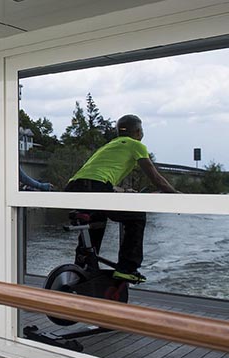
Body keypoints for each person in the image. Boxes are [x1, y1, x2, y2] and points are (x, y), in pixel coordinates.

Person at [64, 114, 178, 283]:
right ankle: (127, 268)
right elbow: (156, 178)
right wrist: (176, 195)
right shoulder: (136, 145)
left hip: (73, 188)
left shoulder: (108, 146)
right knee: (136, 216)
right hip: (96, 188)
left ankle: (83, 267)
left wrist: (119, 191)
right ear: (138, 131)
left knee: (96, 220)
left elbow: (94, 177)